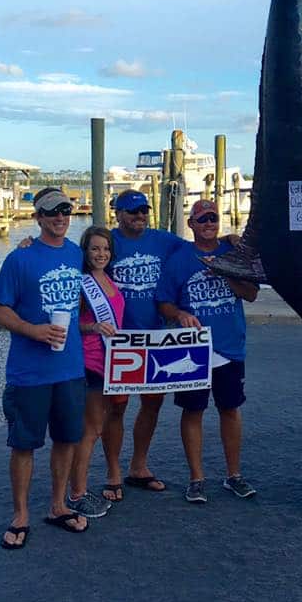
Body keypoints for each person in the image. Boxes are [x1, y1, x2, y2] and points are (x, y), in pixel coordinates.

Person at [0, 188, 88, 549]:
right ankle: (20, 515)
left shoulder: (77, 254)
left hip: (70, 369)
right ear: (38, 217)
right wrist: (33, 330)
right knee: (24, 444)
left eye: (65, 209)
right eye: (51, 211)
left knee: (67, 439)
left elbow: (107, 261)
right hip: (29, 372)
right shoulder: (20, 259)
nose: (60, 216)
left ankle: (57, 505)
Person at [157, 200, 259, 503]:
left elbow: (251, 294)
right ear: (191, 224)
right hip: (194, 348)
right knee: (193, 411)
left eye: (213, 218)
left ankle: (234, 475)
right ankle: (196, 478)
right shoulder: (179, 259)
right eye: (201, 219)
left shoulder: (233, 253)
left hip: (229, 347)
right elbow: (163, 302)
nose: (208, 224)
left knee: (230, 409)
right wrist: (178, 316)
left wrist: (225, 270)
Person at [105, 189, 187, 496]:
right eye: (132, 211)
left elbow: (200, 251)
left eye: (143, 210)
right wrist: (29, 243)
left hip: (156, 337)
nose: (139, 216)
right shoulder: (108, 241)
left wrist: (229, 241)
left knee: (153, 403)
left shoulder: (164, 240)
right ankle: (113, 472)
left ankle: (138, 466)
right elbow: (75, 257)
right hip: (119, 338)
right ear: (118, 213)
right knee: (117, 406)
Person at [66, 226, 124, 516]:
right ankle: (77, 493)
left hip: (111, 363)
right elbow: (68, 322)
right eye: (95, 249)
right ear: (85, 252)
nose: (101, 254)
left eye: (105, 249)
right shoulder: (81, 283)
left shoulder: (109, 280)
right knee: (90, 430)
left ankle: (77, 487)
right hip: (90, 363)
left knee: (98, 427)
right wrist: (92, 327)